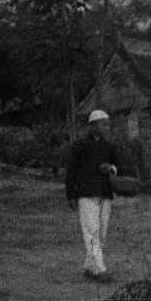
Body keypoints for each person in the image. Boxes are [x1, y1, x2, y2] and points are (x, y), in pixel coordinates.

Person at [65, 110, 123, 283]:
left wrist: (111, 168)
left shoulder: (109, 147)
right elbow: (71, 171)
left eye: (107, 124)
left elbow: (120, 167)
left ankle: (90, 266)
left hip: (104, 193)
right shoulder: (79, 146)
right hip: (86, 193)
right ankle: (100, 269)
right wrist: (71, 195)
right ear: (93, 125)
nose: (106, 127)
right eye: (103, 124)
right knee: (92, 230)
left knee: (102, 231)